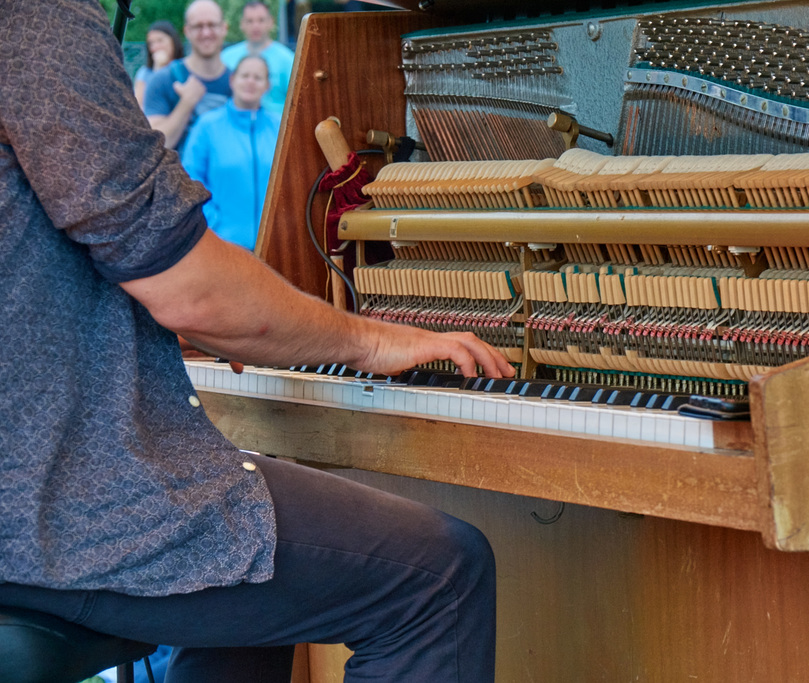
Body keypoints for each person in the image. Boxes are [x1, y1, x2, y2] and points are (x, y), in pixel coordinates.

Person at [0, 2, 513, 683]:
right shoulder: (36, 20)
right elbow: (191, 290)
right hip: (44, 511)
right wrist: (371, 340)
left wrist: (235, 314)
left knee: (250, 560)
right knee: (442, 573)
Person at [182, 55, 281, 251]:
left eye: (258, 77)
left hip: (275, 248)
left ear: (267, 85)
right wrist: (212, 224)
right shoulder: (207, 126)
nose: (250, 82)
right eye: (245, 75)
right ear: (232, 80)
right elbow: (188, 182)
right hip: (222, 248)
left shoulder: (281, 127)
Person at [144, 0, 231, 149]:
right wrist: (186, 104)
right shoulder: (162, 80)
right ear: (187, 31)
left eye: (212, 25)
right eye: (198, 26)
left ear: (224, 28)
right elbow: (154, 147)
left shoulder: (240, 83)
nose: (206, 33)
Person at [221, 1, 294, 115]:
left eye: (261, 20)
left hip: (278, 129)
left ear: (271, 22)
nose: (255, 26)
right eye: (250, 21)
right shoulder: (226, 57)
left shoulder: (288, 60)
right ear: (242, 24)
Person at [133, 21, 185, 106]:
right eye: (151, 43)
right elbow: (139, 106)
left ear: (173, 41)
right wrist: (158, 68)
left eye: (160, 40)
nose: (155, 47)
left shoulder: (185, 67)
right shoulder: (144, 72)